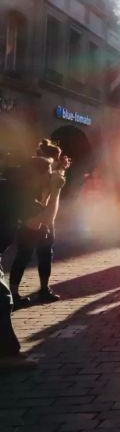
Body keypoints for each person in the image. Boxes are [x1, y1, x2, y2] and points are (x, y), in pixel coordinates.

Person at [10, 141, 69, 307]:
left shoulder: (41, 176)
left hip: (40, 219)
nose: (52, 171)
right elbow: (46, 214)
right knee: (24, 255)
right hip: (33, 220)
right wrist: (55, 190)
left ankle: (43, 289)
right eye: (50, 167)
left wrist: (58, 177)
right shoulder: (28, 191)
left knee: (44, 254)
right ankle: (13, 294)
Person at [0, 157, 40, 369]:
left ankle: (9, 351)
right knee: (2, 298)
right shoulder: (15, 192)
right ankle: (6, 354)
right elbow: (40, 222)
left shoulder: (8, 187)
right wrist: (56, 190)